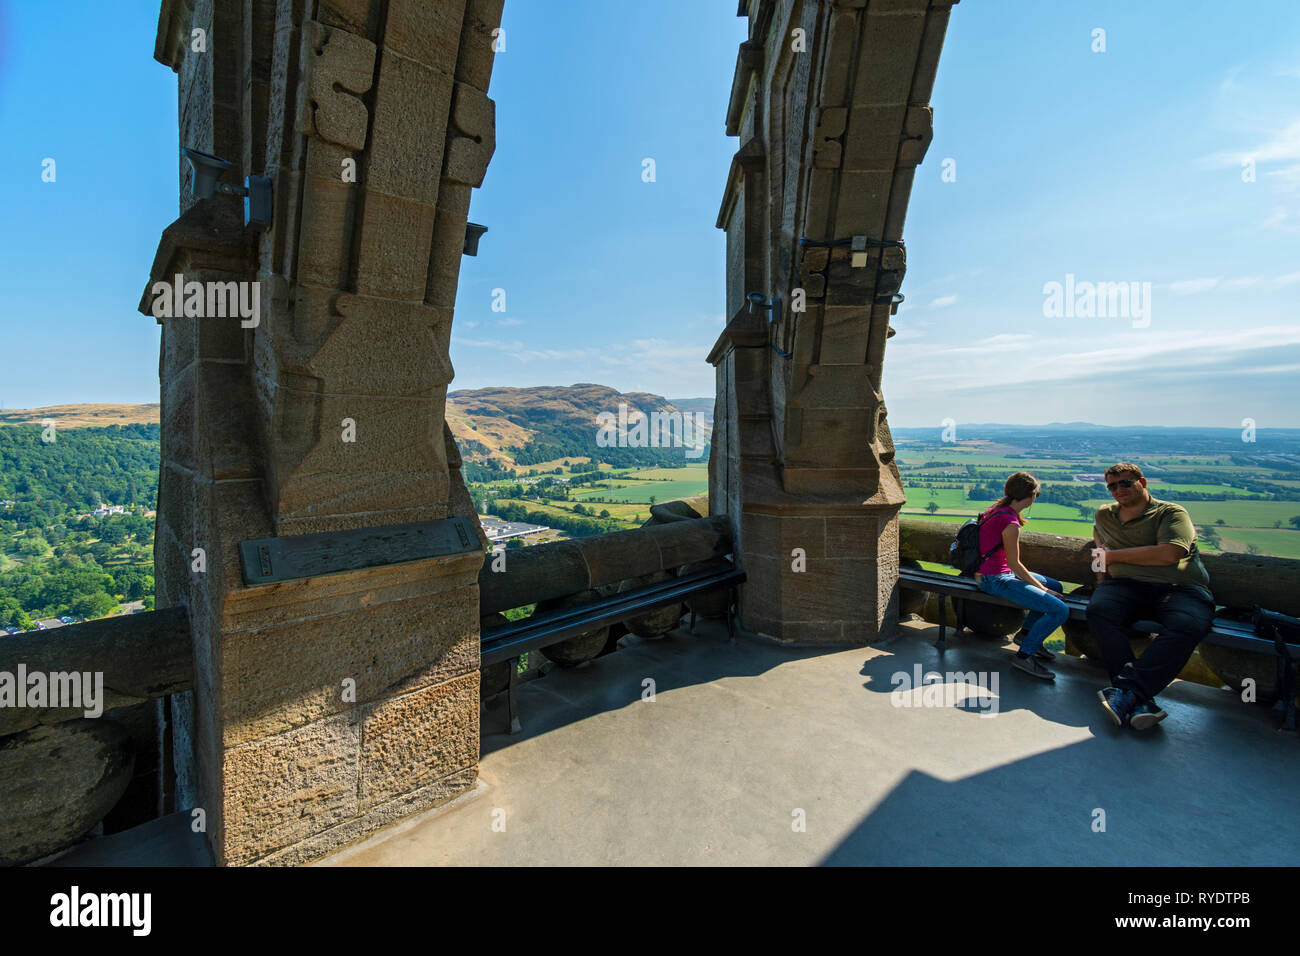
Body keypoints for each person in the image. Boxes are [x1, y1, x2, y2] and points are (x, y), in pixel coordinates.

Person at [1089, 463, 1214, 731]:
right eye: (1112, 485)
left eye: (1125, 483)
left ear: (1142, 482)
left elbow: (1169, 554)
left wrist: (1113, 557)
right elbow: (1098, 541)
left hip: (1179, 587)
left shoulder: (1170, 513)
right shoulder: (1104, 515)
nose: (1118, 490)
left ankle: (1126, 691)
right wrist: (1101, 579)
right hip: (1125, 585)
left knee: (1188, 625)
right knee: (1099, 610)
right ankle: (1140, 700)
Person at [974, 472, 1070, 680]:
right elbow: (1015, 565)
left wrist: (1048, 588)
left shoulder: (997, 510)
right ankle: (1024, 656)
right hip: (996, 579)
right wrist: (1044, 590)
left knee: (1058, 586)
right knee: (1060, 610)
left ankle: (1025, 634)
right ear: (1030, 496)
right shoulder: (1010, 523)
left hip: (992, 573)